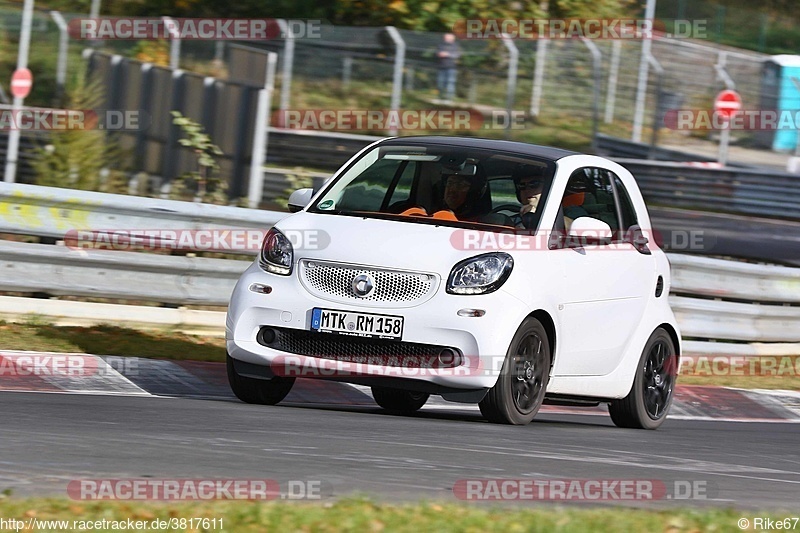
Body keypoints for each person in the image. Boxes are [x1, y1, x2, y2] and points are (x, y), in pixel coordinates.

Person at [436, 33, 461, 103]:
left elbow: (458, 55)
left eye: (448, 38)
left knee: (450, 83)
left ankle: (449, 99)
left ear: (452, 39)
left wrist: (448, 54)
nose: (446, 39)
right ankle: (440, 97)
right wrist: (439, 54)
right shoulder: (441, 45)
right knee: (440, 83)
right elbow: (437, 53)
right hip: (441, 67)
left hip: (451, 68)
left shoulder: (456, 46)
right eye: (446, 38)